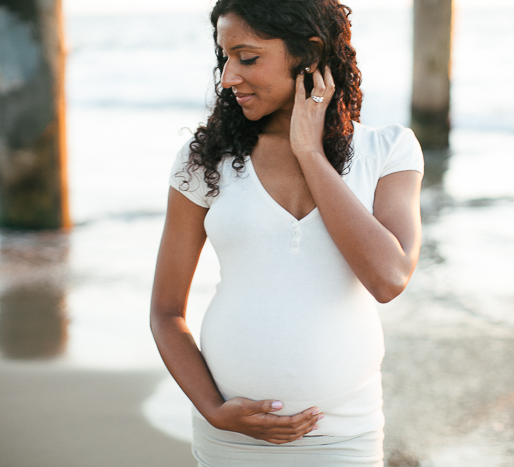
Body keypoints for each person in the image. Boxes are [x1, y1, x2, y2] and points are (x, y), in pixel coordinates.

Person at [150, 0, 424, 465]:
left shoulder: (388, 150)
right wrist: (214, 410)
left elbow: (388, 278)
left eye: (248, 57)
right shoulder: (204, 161)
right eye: (225, 58)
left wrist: (309, 153)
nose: (228, 77)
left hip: (344, 437)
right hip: (231, 438)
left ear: (309, 54)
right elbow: (165, 311)